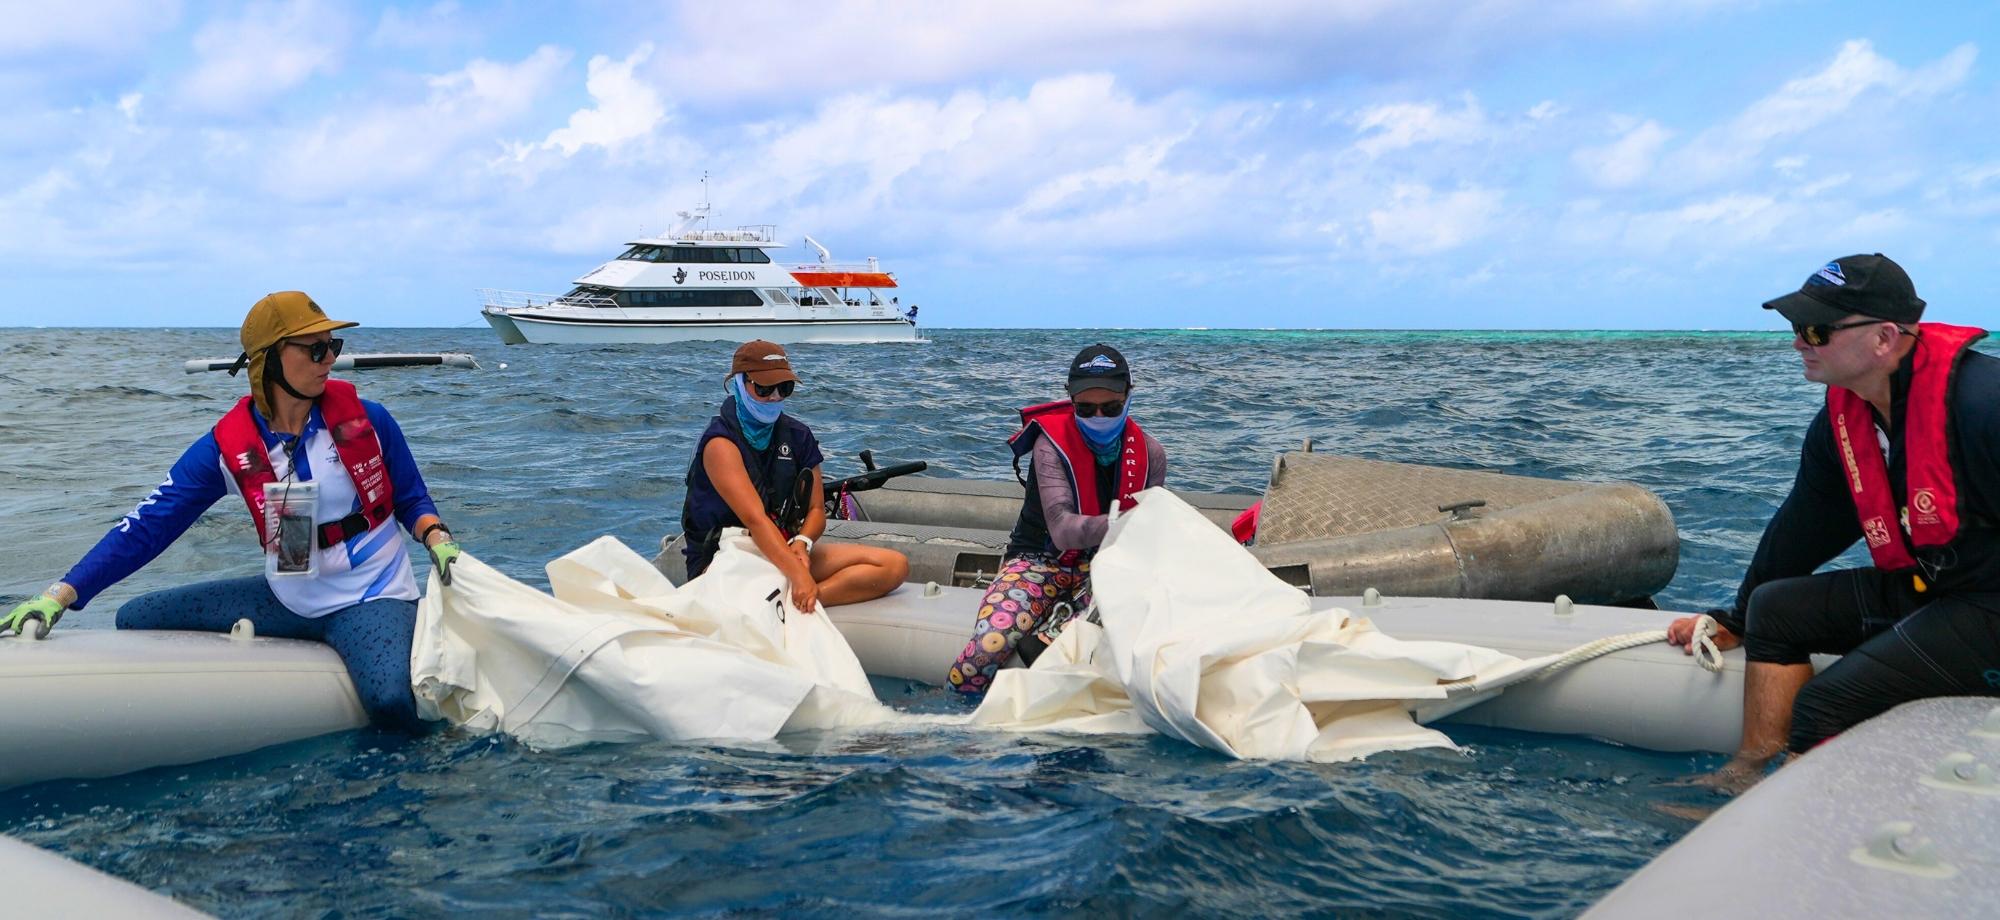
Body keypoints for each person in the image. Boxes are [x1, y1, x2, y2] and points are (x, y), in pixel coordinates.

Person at [1, 292, 460, 732]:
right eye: (316, 348)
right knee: (137, 616)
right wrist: (61, 594)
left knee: (390, 701)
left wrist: (436, 536)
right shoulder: (227, 447)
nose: (329, 359)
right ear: (269, 360)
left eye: (333, 347)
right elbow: (148, 524)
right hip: (290, 597)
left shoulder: (370, 419)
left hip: (371, 594)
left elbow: (411, 499)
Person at [1667, 254, 2000, 789]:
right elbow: (1805, 525)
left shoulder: (1985, 404)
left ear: (1884, 338)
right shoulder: (1847, 419)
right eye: (1797, 327)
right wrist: (1737, 616)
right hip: (1939, 588)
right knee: (1773, 609)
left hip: (1988, 607)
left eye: (1817, 330)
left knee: (1826, 703)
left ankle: (1790, 836)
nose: (1799, 341)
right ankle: (1744, 777)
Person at [948, 343, 1167, 694]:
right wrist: (1126, 522)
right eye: (1086, 407)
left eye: (1110, 406)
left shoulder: (1152, 454)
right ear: (1070, 400)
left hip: (1107, 569)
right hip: (1039, 560)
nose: (1099, 416)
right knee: (985, 649)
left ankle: (1053, 637)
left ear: (1129, 396)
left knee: (1128, 603)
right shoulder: (1049, 446)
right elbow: (1063, 530)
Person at [678, 340, 908, 611]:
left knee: (894, 565)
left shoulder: (798, 436)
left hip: (785, 547)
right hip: (728, 558)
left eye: (784, 388)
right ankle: (790, 594)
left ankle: (800, 601)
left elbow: (816, 509)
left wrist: (803, 542)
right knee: (765, 570)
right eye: (764, 388)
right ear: (740, 383)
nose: (775, 397)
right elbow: (756, 519)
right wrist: (798, 575)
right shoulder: (720, 445)